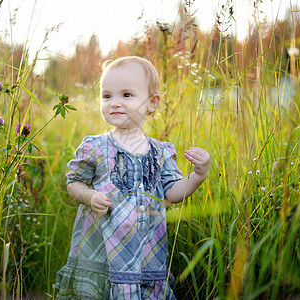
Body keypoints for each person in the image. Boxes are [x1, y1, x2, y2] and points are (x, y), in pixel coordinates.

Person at [55, 56, 210, 299]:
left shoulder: (160, 152)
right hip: (102, 255)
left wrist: (198, 176)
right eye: (107, 96)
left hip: (146, 258)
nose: (114, 103)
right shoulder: (95, 147)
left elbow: (172, 193)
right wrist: (89, 196)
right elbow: (74, 183)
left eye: (126, 95)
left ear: (152, 103)